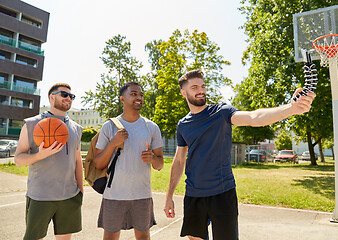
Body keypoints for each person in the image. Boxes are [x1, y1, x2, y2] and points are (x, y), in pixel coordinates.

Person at [163, 70, 316, 240]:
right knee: (194, 238)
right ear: (183, 92)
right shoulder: (183, 125)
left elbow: (253, 117)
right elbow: (178, 161)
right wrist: (169, 197)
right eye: (194, 87)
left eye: (203, 86)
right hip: (193, 193)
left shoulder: (221, 112)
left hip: (222, 193)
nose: (201, 90)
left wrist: (291, 108)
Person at [94, 82, 164, 240]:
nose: (139, 97)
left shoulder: (152, 127)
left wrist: (153, 158)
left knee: (143, 237)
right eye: (133, 94)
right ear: (122, 99)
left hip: (142, 195)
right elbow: (98, 164)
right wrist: (113, 143)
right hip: (114, 195)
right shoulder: (109, 127)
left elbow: (160, 165)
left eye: (141, 95)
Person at [14, 83, 84, 240]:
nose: (69, 99)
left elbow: (78, 161)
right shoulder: (32, 124)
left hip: (69, 196)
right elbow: (18, 159)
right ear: (52, 97)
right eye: (64, 95)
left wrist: (80, 190)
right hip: (40, 196)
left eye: (71, 96)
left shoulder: (76, 128)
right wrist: (40, 155)